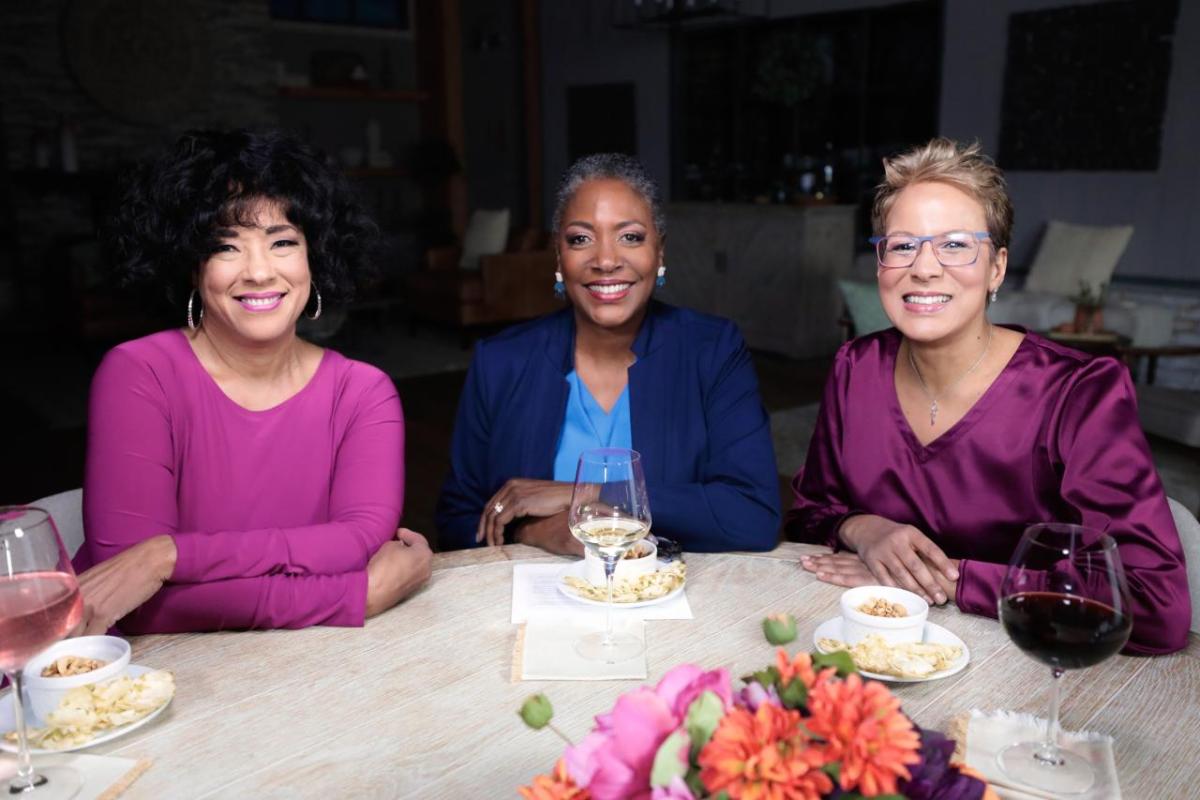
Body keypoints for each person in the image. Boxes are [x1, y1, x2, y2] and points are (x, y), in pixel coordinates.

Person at [788, 137, 1189, 654]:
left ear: (996, 268)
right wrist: (864, 530)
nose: (925, 267)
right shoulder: (855, 367)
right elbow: (807, 515)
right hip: (880, 640)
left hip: (1028, 658)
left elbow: (1154, 603)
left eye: (955, 244)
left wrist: (952, 579)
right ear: (881, 262)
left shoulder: (1079, 392)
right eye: (902, 244)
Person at [73, 129, 431, 634]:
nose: (259, 272)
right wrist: (354, 595)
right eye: (225, 247)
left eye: (283, 242)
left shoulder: (363, 392)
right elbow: (128, 601)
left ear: (315, 256)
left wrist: (166, 558)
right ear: (192, 266)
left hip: (304, 665)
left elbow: (356, 542)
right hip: (132, 678)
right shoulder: (139, 373)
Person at [436, 154, 780, 554]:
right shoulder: (500, 361)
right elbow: (456, 520)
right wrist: (528, 534)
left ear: (660, 252)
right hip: (531, 607)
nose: (605, 260)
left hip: (669, 600)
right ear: (558, 257)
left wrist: (585, 494)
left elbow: (753, 516)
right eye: (580, 238)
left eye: (630, 236)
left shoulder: (713, 351)